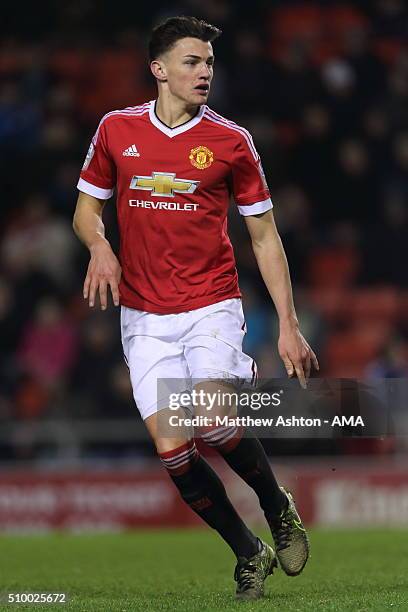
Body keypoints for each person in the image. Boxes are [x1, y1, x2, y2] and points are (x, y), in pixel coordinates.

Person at [73, 16, 319, 601]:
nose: (204, 71)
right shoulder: (116, 131)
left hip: (211, 302)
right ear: (159, 70)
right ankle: (248, 551)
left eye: (209, 62)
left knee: (211, 417)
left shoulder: (232, 142)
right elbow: (86, 211)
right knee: (172, 449)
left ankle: (276, 505)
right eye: (192, 61)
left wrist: (288, 324)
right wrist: (100, 246)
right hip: (144, 315)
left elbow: (264, 236)